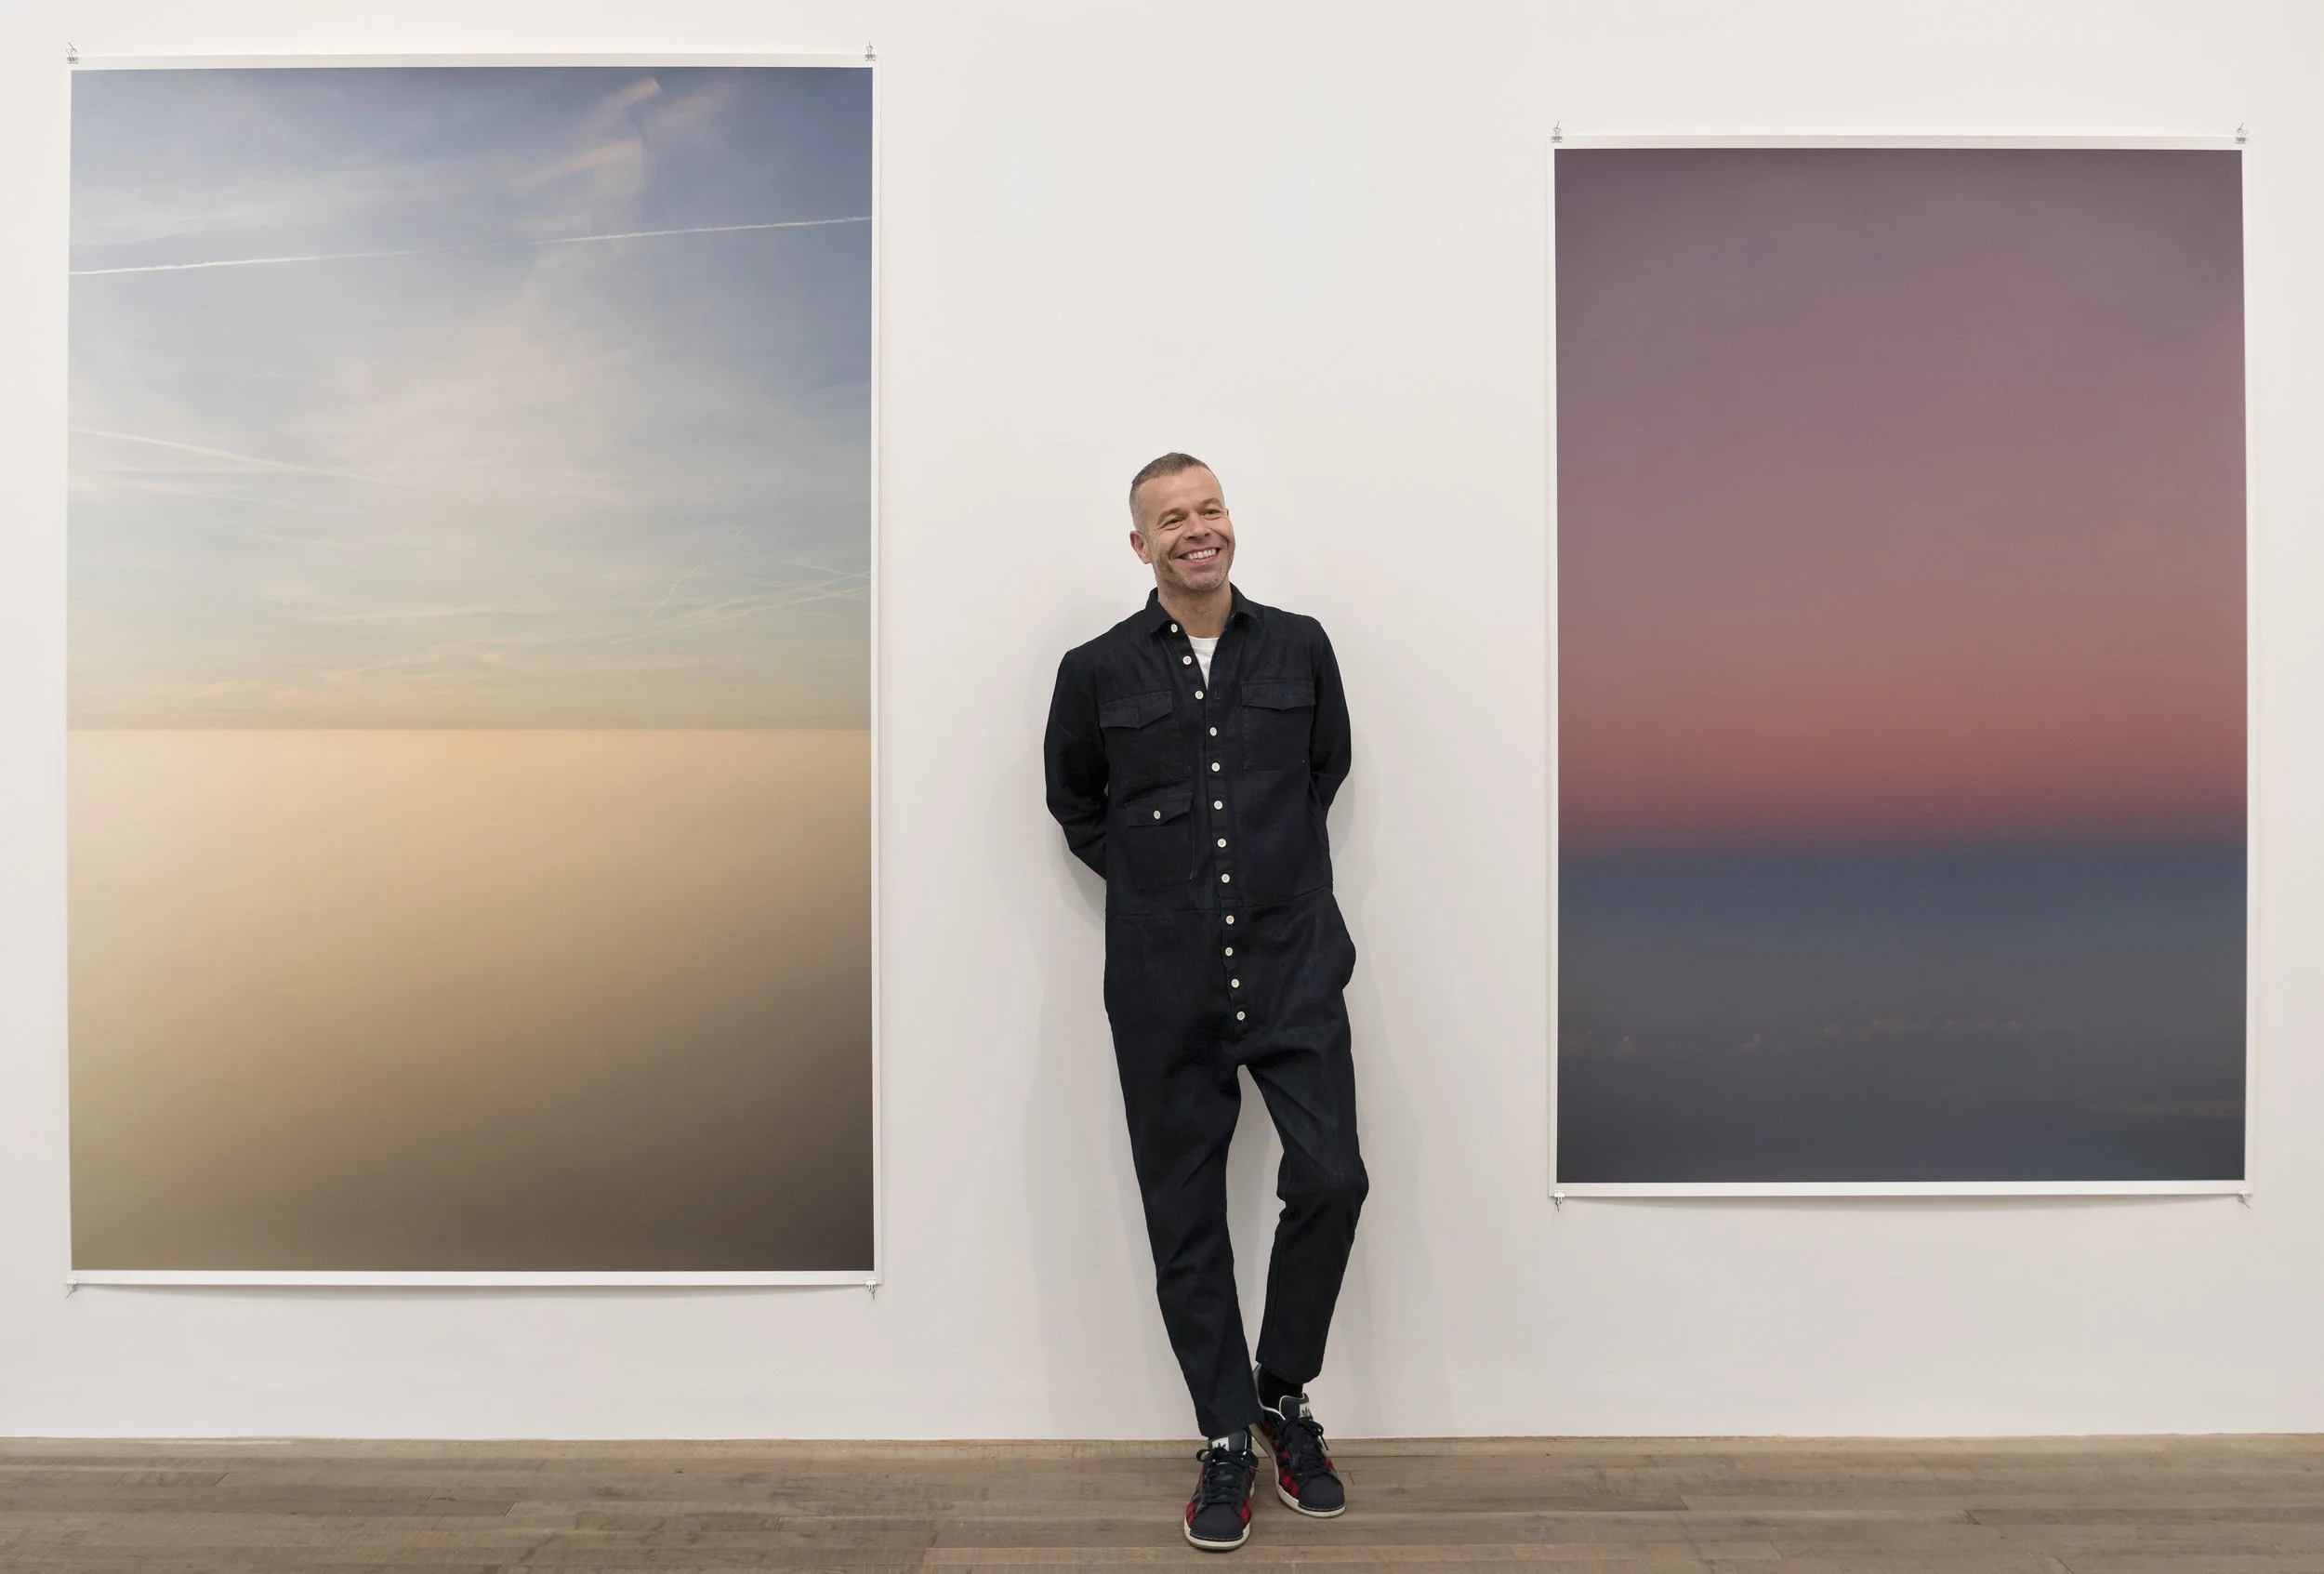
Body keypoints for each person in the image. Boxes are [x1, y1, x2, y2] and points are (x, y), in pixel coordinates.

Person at [1044, 453, 1368, 1553]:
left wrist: (1272, 885)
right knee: (1184, 1217)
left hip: (1292, 968)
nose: (1197, 529)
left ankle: (1280, 1392)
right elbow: (1075, 801)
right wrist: (1159, 891)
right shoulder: (1092, 671)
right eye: (1171, 518)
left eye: (1210, 508)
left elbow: (1324, 771)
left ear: (1230, 524)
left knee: (1332, 1176)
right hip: (1161, 982)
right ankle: (1224, 1435)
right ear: (1139, 545)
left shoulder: (1301, 647)